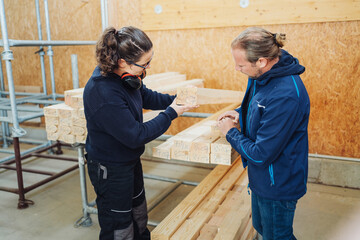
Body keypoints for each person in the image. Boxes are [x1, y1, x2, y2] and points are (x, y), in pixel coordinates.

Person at [83, 26, 197, 240]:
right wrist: (172, 113)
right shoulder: (104, 92)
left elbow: (146, 96)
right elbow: (136, 134)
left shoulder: (126, 77)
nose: (148, 67)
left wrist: (176, 100)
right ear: (122, 62)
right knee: (119, 225)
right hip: (110, 168)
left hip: (129, 159)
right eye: (144, 64)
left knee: (138, 211)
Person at [217, 27, 310, 240]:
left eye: (241, 65)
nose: (236, 69)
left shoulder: (285, 95)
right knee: (261, 227)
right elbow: (258, 107)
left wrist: (230, 132)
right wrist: (240, 112)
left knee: (278, 236)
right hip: (261, 178)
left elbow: (260, 153)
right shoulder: (262, 75)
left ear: (261, 61)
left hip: (278, 183)